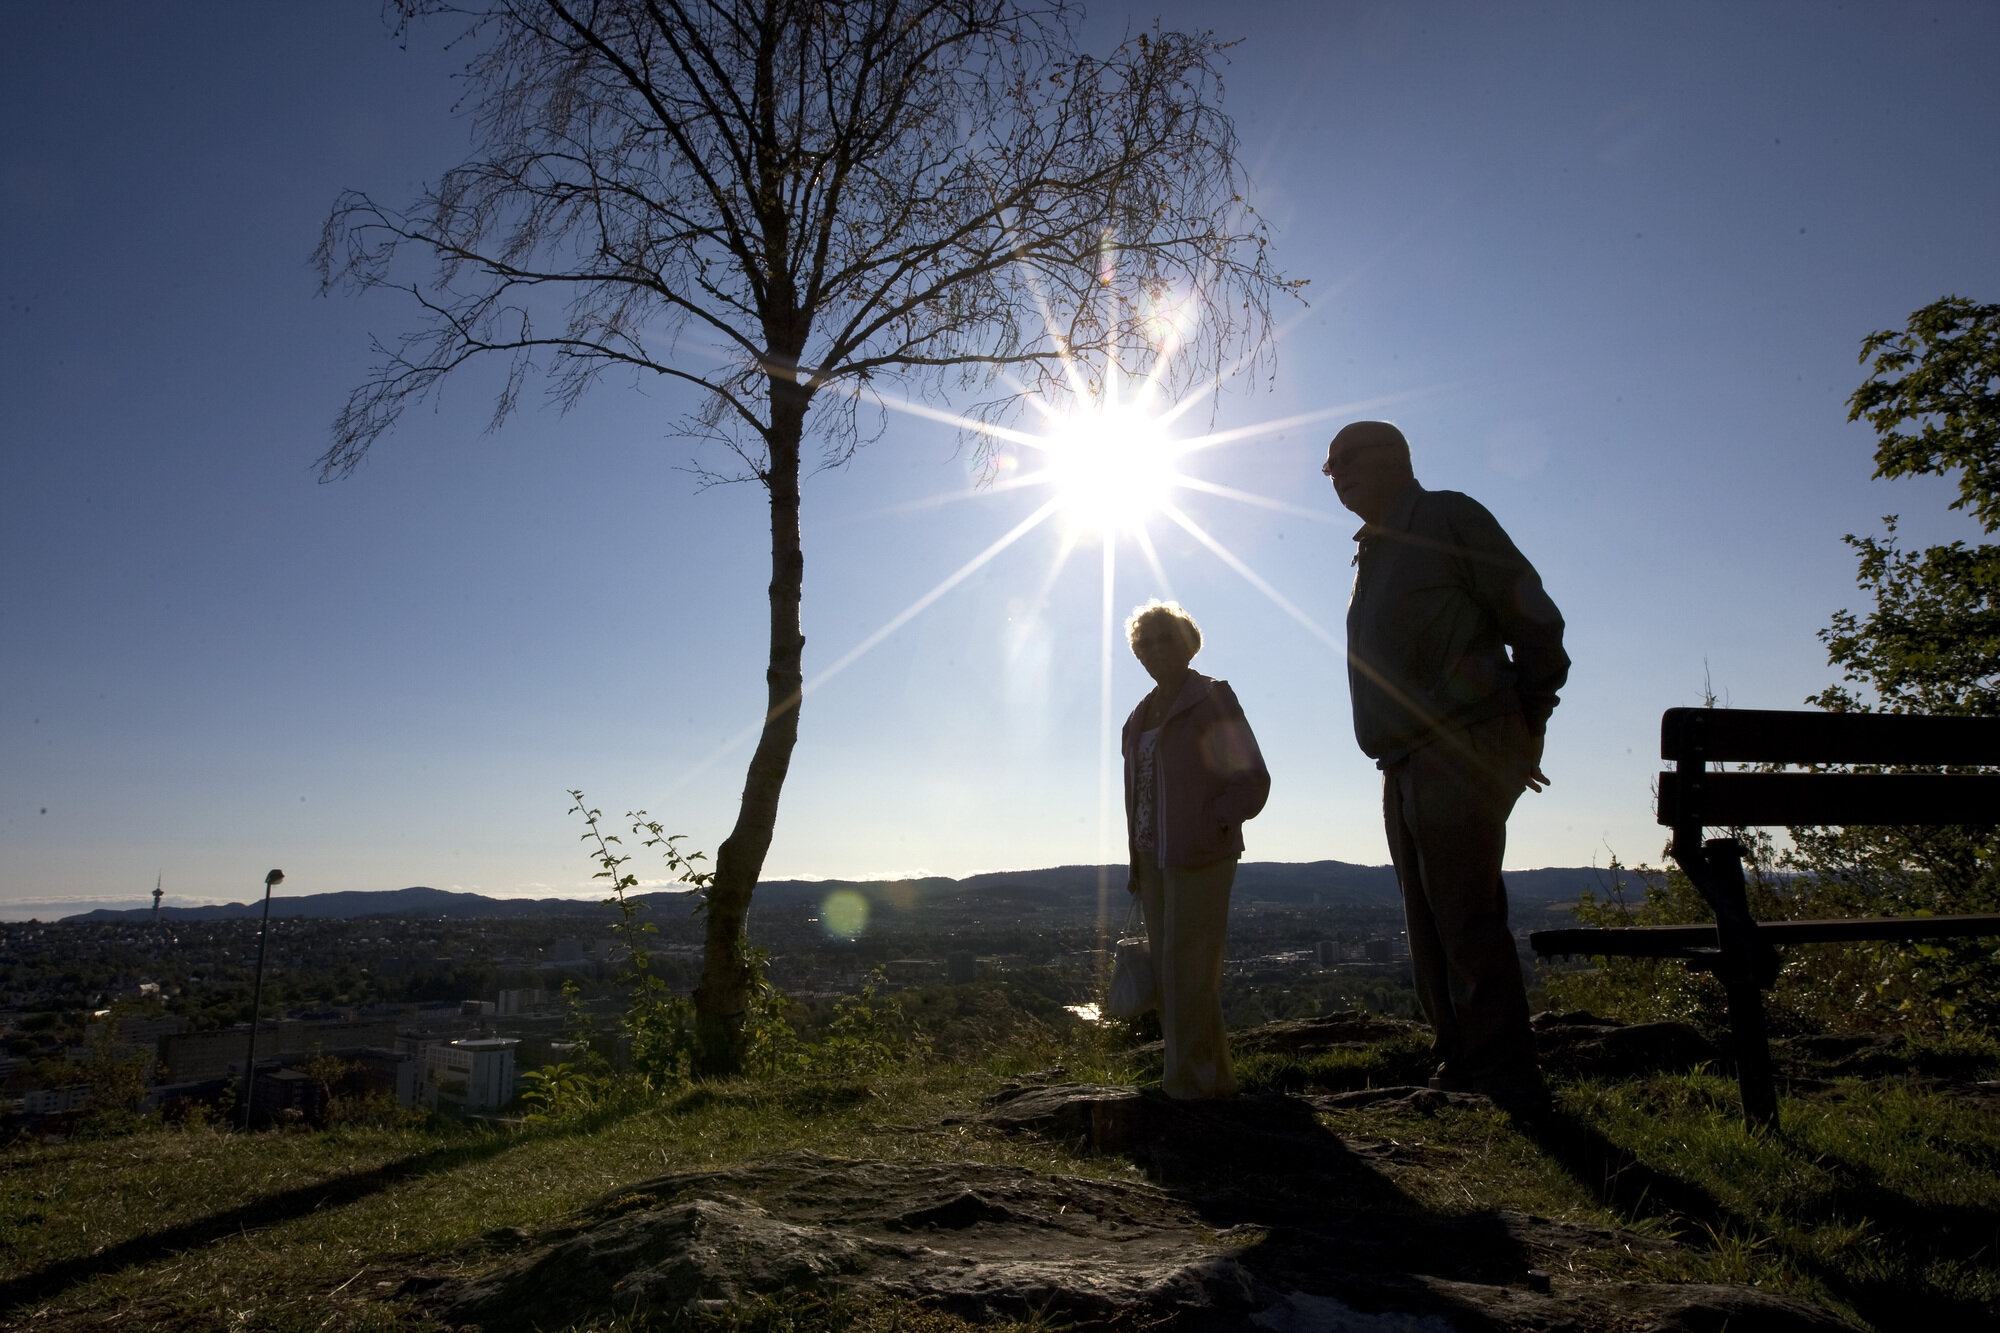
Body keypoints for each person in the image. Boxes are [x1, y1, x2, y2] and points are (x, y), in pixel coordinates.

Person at [1324, 421, 1568, 1109]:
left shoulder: (1446, 517)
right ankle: (1460, 1062)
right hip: (1402, 758)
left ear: (1396, 459)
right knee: (1428, 922)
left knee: (1463, 914)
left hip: (1458, 744)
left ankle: (1502, 1073)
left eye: (1349, 459)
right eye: (1331, 467)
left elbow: (1537, 624)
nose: (1337, 474)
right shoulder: (1373, 549)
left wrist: (1525, 721)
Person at [1120, 599, 1271, 1100]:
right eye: (1145, 644)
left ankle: (1186, 1086)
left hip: (1201, 852)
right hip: (1152, 857)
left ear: (1188, 644)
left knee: (1188, 970)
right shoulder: (1139, 715)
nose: (1155, 650)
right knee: (1174, 974)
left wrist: (1218, 821)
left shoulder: (1210, 699)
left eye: (1165, 639)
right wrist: (1135, 860)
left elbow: (1251, 776)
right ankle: (1213, 1081)